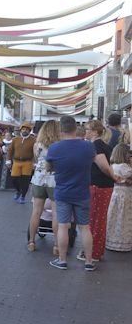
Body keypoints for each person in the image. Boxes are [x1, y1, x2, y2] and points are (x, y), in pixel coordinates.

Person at [46, 116, 97, 271]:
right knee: (84, 227)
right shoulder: (88, 147)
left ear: (61, 129)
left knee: (63, 226)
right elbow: (92, 161)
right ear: (76, 128)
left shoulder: (54, 148)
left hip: (62, 193)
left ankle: (62, 260)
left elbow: (48, 168)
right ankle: (89, 262)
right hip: (82, 192)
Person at [78, 120, 117, 262]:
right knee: (97, 219)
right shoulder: (102, 145)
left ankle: (93, 253)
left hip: (98, 187)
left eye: (87, 129)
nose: (85, 131)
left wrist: (114, 177)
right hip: (101, 186)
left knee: (95, 220)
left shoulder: (96, 146)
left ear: (95, 132)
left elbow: (104, 166)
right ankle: (95, 251)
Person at [27, 120, 60, 254]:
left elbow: (37, 159)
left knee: (36, 211)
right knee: (56, 213)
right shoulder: (59, 145)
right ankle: (57, 245)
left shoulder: (37, 145)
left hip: (38, 179)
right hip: (54, 180)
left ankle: (31, 242)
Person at [105, 143, 132, 252]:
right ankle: (123, 242)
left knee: (114, 217)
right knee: (124, 217)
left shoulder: (113, 166)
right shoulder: (124, 167)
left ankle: (111, 241)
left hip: (115, 193)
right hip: (125, 195)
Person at [6, 122, 36, 204]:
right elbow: (10, 150)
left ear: (29, 131)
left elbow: (35, 153)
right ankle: (18, 191)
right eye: (23, 129)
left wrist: (34, 163)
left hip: (28, 162)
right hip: (16, 162)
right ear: (20, 130)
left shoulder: (33, 140)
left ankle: (23, 196)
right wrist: (8, 160)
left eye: (26, 129)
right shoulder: (15, 139)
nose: (24, 131)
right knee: (14, 178)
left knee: (25, 181)